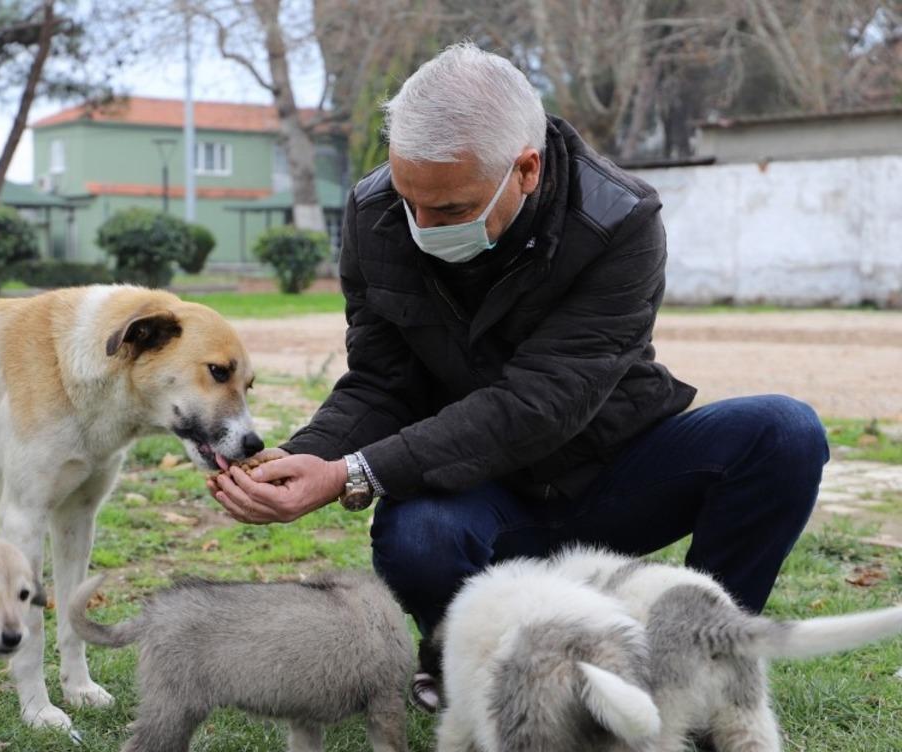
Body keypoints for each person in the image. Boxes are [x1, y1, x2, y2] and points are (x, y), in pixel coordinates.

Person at [207, 42, 829, 711]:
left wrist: (353, 474)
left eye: (448, 209)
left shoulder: (620, 220)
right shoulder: (373, 214)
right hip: (478, 493)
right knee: (416, 536)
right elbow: (382, 381)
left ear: (526, 169)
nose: (420, 224)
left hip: (611, 474)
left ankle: (699, 672)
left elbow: (543, 402)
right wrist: (307, 456)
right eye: (409, 198)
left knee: (782, 433)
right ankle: (468, 665)